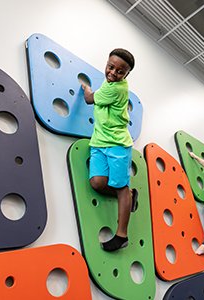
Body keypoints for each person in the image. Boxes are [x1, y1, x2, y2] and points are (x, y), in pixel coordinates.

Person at [82, 48, 137, 252]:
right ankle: (129, 196)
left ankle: (121, 235)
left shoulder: (117, 89)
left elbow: (89, 99)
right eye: (110, 67)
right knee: (97, 182)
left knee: (120, 187)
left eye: (120, 71)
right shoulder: (110, 83)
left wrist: (86, 87)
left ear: (126, 75)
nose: (113, 73)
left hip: (117, 145)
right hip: (99, 141)